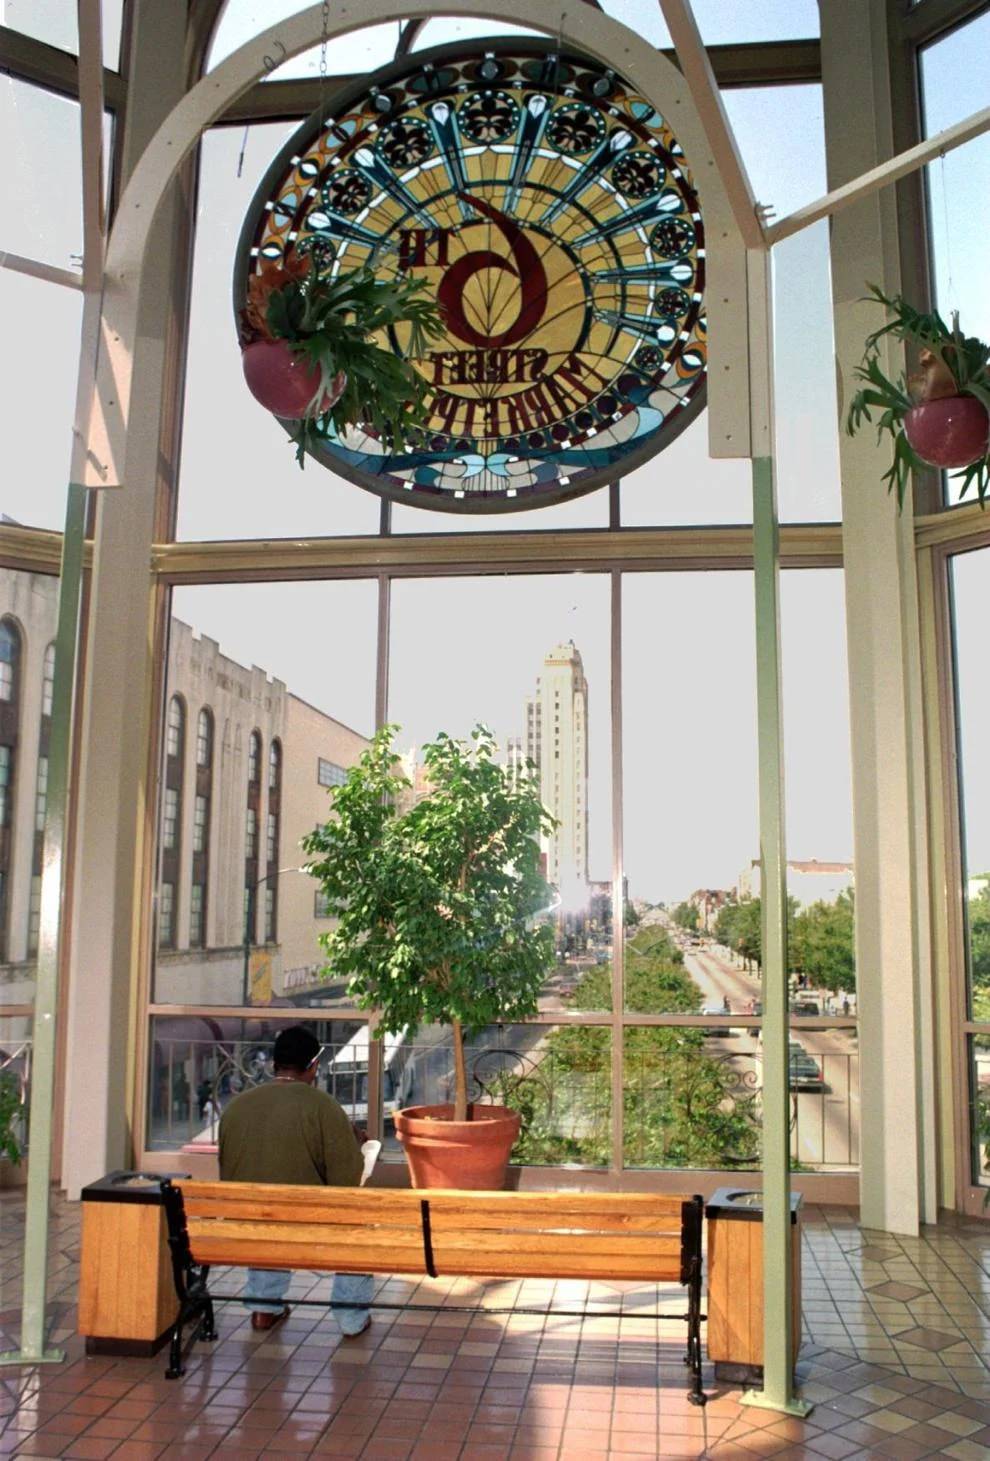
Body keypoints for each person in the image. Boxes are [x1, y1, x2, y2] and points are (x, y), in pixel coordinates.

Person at [218, 1025, 373, 1337]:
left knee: (266, 1212)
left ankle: (264, 1309)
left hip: (244, 1222)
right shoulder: (323, 1107)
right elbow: (347, 1182)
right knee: (358, 1221)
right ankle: (351, 1319)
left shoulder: (236, 1107)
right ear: (314, 1065)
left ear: (275, 1064)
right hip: (304, 1223)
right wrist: (355, 1144)